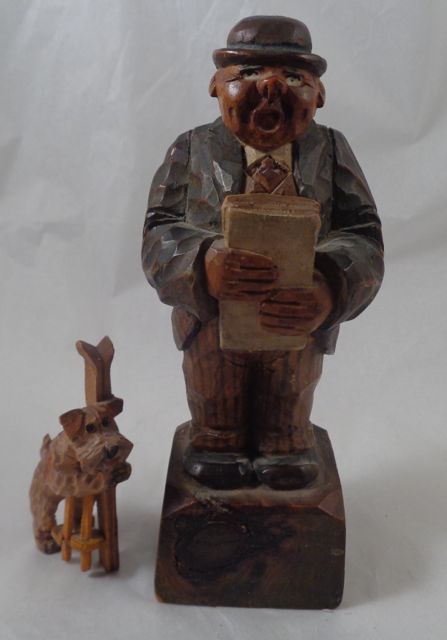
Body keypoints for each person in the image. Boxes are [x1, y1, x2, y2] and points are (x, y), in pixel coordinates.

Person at [142, 15, 384, 490]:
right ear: (215, 86)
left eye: (294, 78)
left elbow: (363, 232)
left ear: (320, 94)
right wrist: (201, 261)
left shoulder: (332, 149)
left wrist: (329, 285)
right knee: (215, 395)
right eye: (247, 74)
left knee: (290, 396)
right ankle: (217, 439)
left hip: (297, 323)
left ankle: (285, 441)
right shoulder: (190, 148)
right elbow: (158, 230)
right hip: (211, 321)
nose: (270, 89)